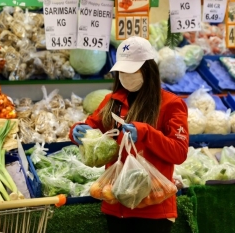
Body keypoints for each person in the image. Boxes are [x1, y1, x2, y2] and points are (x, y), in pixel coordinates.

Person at [69, 36, 189, 233]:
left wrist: (147, 133)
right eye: (122, 70)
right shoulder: (111, 102)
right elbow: (90, 127)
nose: (126, 75)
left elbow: (179, 152)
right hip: (116, 203)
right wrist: (77, 132)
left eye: (132, 70)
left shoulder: (171, 105)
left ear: (148, 69)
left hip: (154, 206)